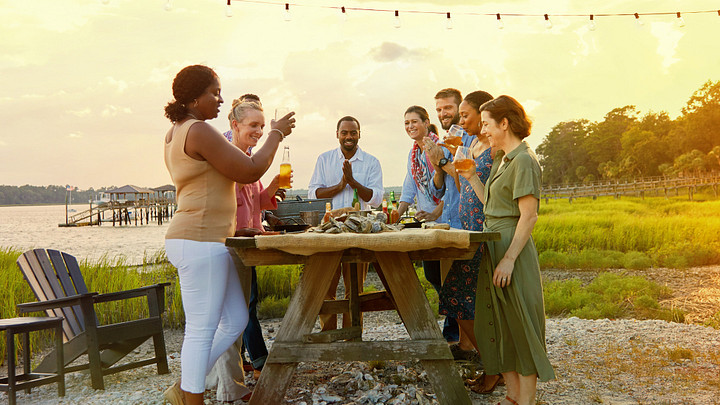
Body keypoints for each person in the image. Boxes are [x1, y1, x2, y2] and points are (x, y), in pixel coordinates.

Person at [162, 65, 295, 405]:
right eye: (214, 92)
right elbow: (249, 171)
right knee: (201, 331)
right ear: (194, 96)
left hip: (207, 240)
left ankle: (186, 385)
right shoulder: (199, 131)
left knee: (235, 319)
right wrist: (276, 134)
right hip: (198, 240)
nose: (220, 99)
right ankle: (191, 397)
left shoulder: (177, 130)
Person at [457, 95, 555, 405]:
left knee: (521, 323)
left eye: (486, 124)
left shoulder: (524, 160)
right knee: (502, 325)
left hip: (512, 248)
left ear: (504, 123)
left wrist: (510, 260)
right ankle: (513, 397)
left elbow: (529, 216)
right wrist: (472, 177)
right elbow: (493, 206)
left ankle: (525, 401)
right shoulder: (504, 158)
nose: (483, 131)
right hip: (494, 243)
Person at [205, 96, 282, 401]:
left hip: (245, 246)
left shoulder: (247, 155)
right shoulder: (224, 155)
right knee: (231, 320)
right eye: (254, 125)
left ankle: (218, 382)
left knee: (235, 318)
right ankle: (230, 389)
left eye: (262, 126)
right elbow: (221, 204)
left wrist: (273, 185)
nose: (259, 131)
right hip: (227, 245)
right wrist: (240, 229)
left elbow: (258, 202)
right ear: (235, 125)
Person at [425, 91, 495, 369]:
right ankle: (483, 355)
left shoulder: (489, 145)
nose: (452, 117)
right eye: (439, 109)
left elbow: (483, 188)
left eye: (461, 113)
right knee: (457, 295)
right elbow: (452, 187)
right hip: (465, 226)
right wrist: (444, 164)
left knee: (462, 294)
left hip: (481, 229)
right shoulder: (470, 144)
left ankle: (492, 361)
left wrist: (444, 162)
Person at [308, 116, 384, 330]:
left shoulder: (371, 162)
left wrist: (353, 183)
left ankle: (352, 332)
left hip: (359, 231)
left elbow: (376, 198)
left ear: (360, 134)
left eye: (353, 132)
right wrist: (340, 186)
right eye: (345, 133)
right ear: (337, 134)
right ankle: (328, 332)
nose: (349, 137)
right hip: (330, 230)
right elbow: (314, 192)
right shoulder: (325, 159)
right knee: (326, 284)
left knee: (355, 287)